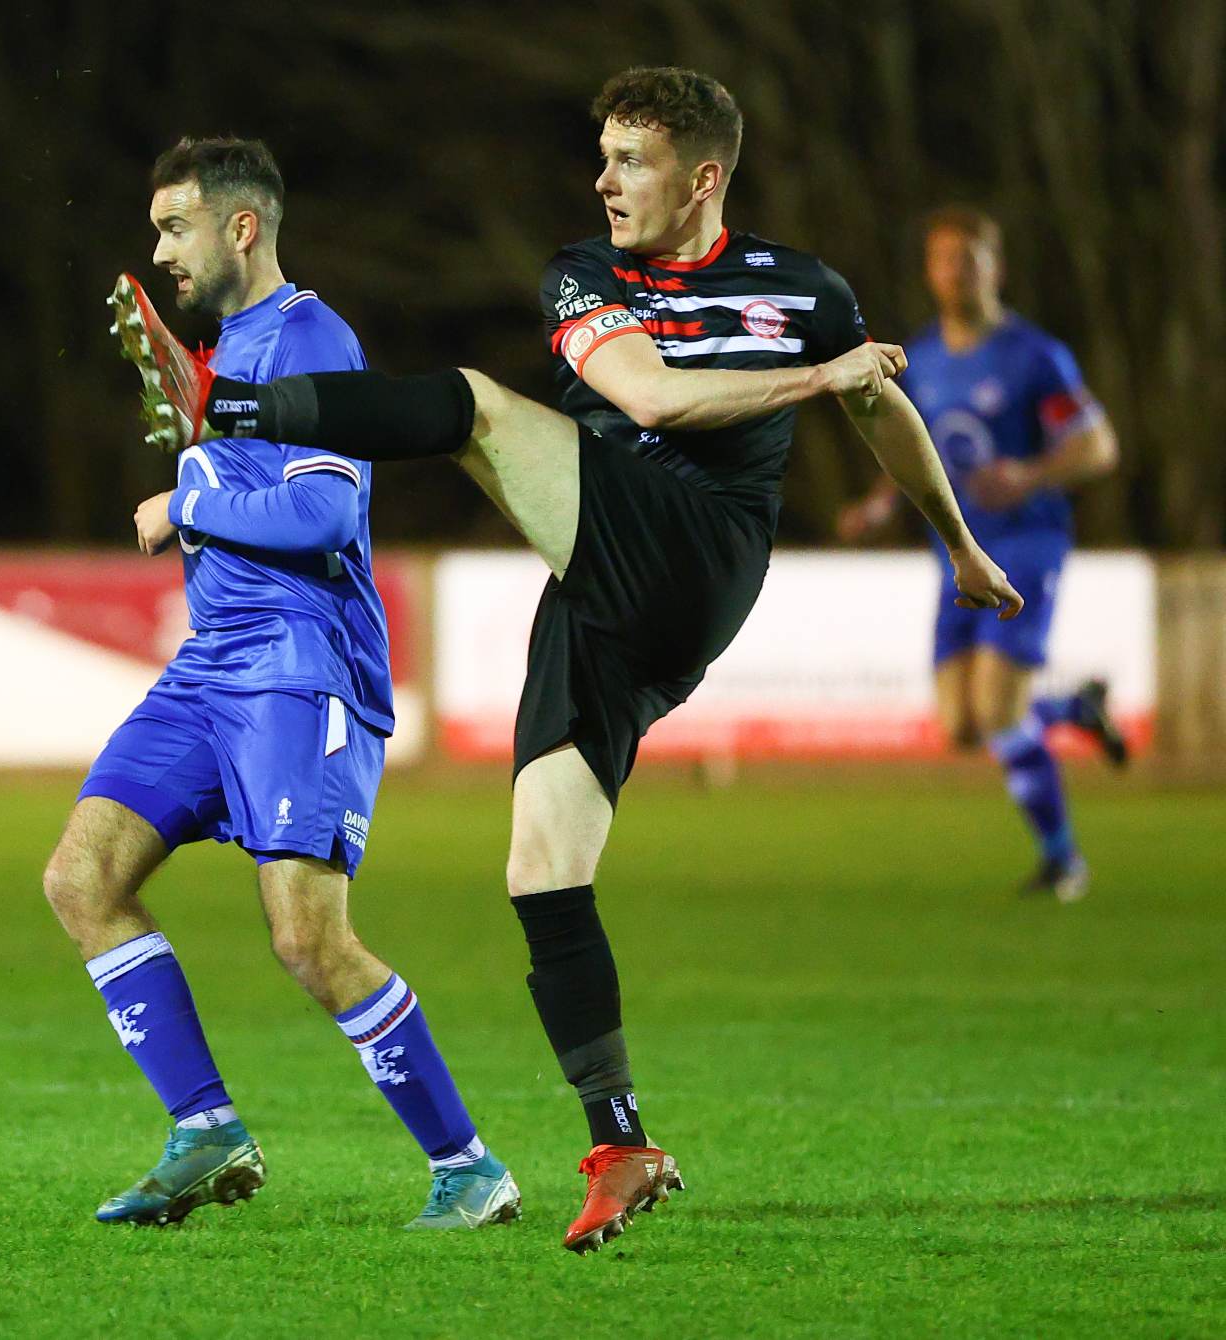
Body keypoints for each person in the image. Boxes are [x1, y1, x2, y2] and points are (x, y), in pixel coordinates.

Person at [107, 71, 1022, 1252]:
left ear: (701, 176)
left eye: (628, 160)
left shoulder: (802, 289)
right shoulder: (582, 277)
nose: (600, 180)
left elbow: (879, 410)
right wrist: (822, 377)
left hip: (697, 549)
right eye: (599, 156)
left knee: (479, 407)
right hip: (599, 587)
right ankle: (620, 1140)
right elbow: (646, 394)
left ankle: (231, 413)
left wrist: (956, 540)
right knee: (540, 868)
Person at [45, 135, 517, 1231]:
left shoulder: (308, 335)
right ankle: (204, 1128)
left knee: (307, 939)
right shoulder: (228, 354)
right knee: (81, 875)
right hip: (212, 668)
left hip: (299, 667)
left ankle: (468, 1166)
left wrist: (186, 503)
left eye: (175, 226)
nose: (159, 249)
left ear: (239, 227)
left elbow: (324, 515)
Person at [839, 206, 1125, 901]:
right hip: (959, 551)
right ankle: (1072, 711)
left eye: (968, 258)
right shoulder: (925, 358)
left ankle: (1064, 862)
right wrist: (879, 504)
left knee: (998, 710)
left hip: (1028, 542)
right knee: (961, 725)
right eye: (941, 259)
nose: (954, 272)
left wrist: (1028, 474)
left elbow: (1097, 445)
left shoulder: (1035, 357)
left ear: (995, 266)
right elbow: (911, 451)